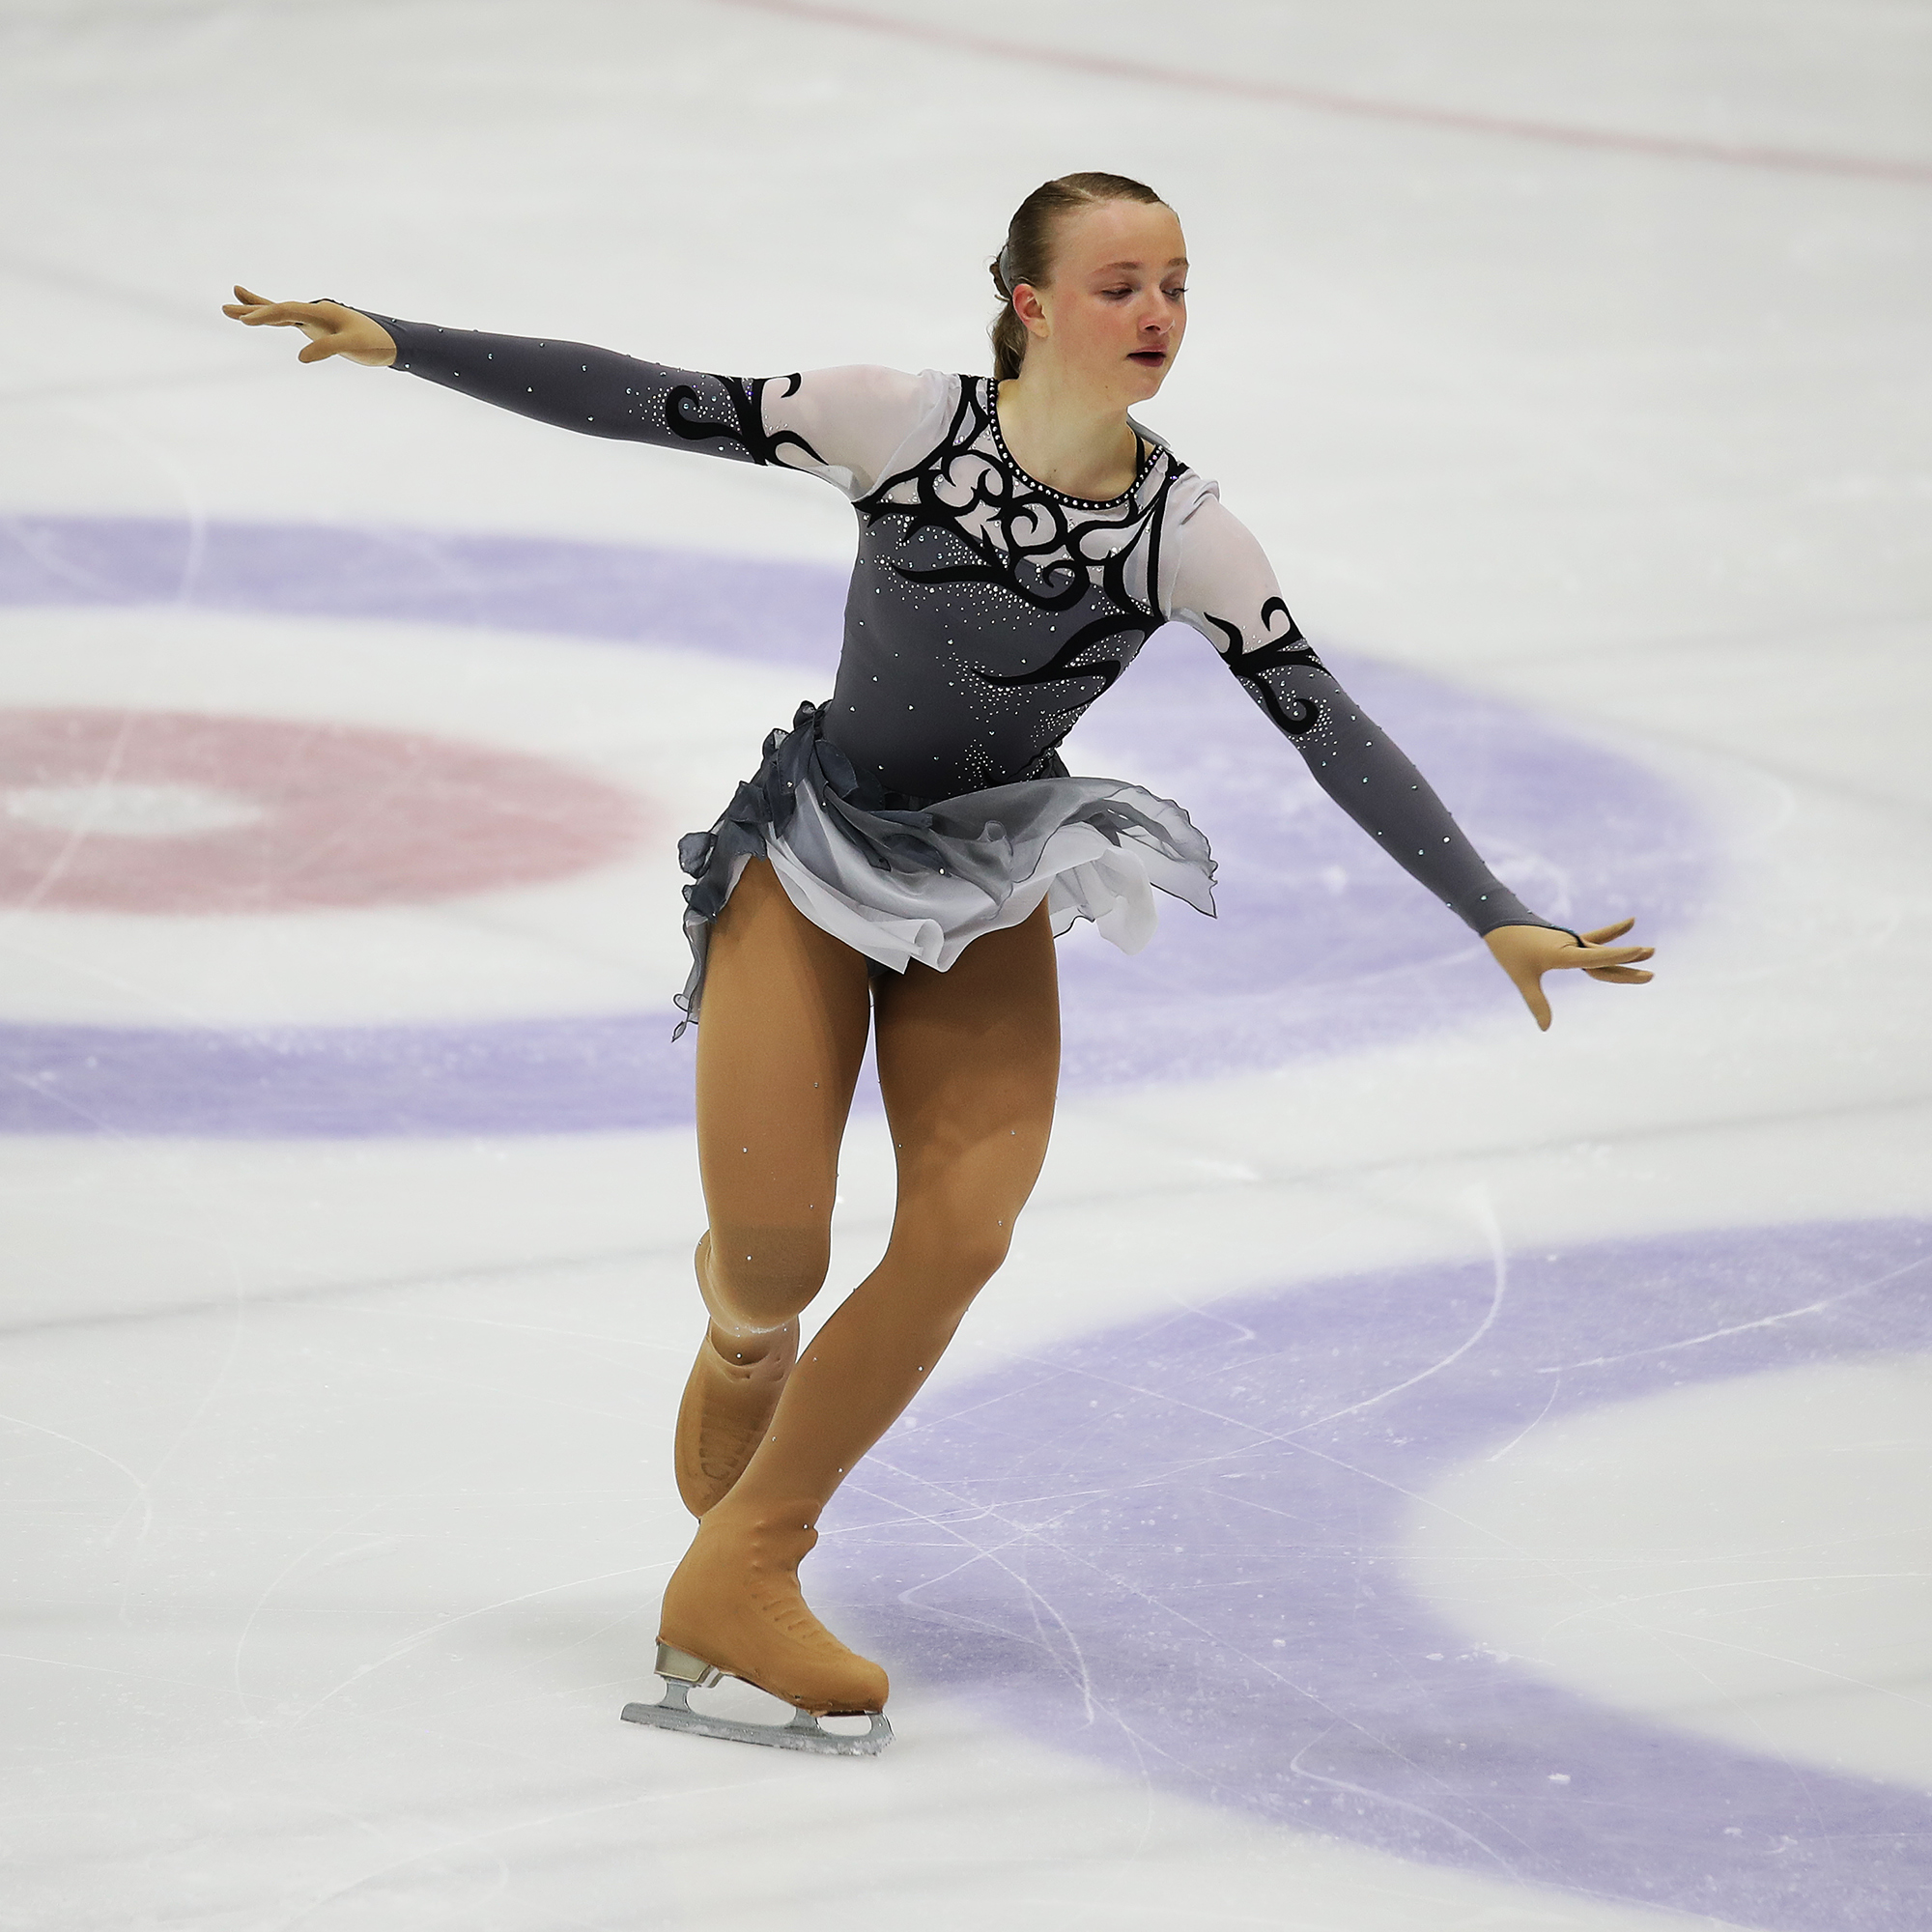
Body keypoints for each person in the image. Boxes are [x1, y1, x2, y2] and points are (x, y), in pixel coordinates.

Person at [224, 171, 1653, 1754]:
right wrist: (400, 341)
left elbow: (1328, 725)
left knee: (967, 1226)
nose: (1159, 315)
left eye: (1176, 283)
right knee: (774, 1269)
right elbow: (644, 397)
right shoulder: (895, 423)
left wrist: (1490, 906)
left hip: (986, 880)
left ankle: (749, 1564)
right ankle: (743, 1349)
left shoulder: (1190, 534)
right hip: (819, 853)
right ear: (1030, 303)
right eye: (1120, 285)